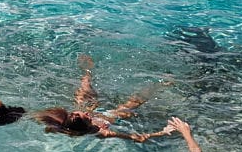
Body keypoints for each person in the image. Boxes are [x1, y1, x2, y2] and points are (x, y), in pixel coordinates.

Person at [34, 55, 177, 142]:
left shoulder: (66, 125)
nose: (89, 115)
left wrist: (50, 127)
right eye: (88, 118)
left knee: (83, 92)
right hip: (109, 116)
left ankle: (87, 72)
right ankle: (161, 84)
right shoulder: (101, 132)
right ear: (87, 126)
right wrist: (162, 132)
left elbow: (56, 127)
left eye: (84, 115)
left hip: (89, 112)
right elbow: (138, 138)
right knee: (132, 104)